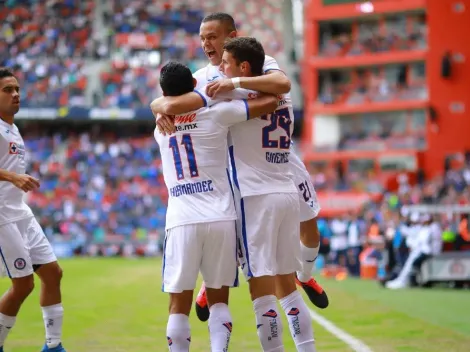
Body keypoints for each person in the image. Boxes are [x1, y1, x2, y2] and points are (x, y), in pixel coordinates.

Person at [154, 11, 328, 318]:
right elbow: (171, 102)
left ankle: (305, 275)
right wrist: (160, 109)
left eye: (213, 37)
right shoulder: (204, 76)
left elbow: (281, 84)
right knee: (238, 233)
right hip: (242, 164)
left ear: (231, 37)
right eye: (203, 38)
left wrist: (234, 81)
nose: (207, 44)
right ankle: (213, 285)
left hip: (283, 158)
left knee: (311, 229)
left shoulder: (262, 63)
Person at [153, 61, 278, 351]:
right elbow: (271, 102)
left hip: (182, 218)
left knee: (178, 305)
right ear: (195, 86)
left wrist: (160, 108)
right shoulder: (218, 114)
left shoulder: (160, 128)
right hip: (221, 216)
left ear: (164, 93)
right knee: (218, 300)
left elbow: (163, 106)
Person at [0, 67, 66, 352]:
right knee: (24, 284)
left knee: (52, 273)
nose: (15, 94)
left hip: (19, 211)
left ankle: (53, 346)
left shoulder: (12, 127)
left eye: (17, 89)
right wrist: (12, 176)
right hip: (1, 214)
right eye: (7, 90)